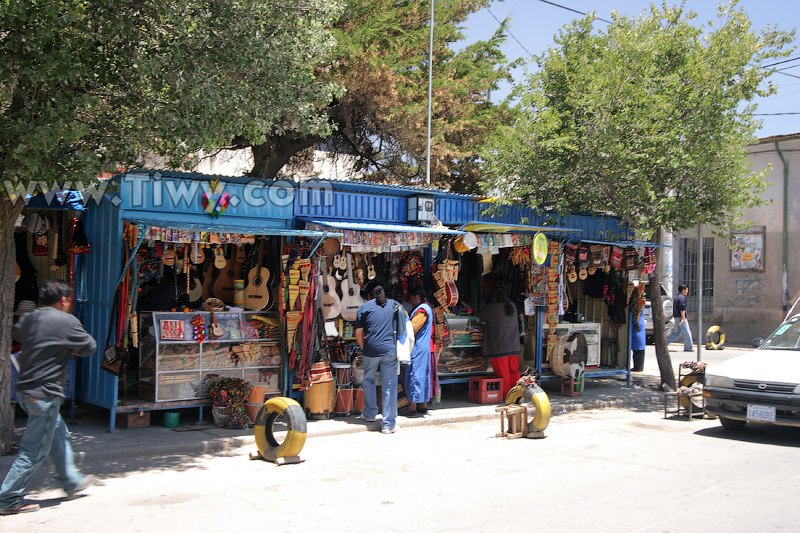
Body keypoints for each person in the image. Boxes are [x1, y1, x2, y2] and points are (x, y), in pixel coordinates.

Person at [0, 280, 97, 515]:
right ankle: (8, 497)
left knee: (58, 434)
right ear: (64, 300)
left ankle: (70, 481)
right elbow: (89, 347)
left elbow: (18, 333)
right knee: (34, 449)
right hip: (44, 394)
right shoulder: (67, 321)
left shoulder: (30, 318)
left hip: (25, 389)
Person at [355, 282, 399, 434]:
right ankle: (388, 424)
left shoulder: (364, 307)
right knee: (389, 385)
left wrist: (364, 348)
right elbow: (405, 320)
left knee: (368, 380)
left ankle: (370, 413)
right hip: (390, 350)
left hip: (371, 350)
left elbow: (358, 333)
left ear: (369, 296)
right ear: (384, 293)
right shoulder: (394, 304)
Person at [482, 287, 523, 399]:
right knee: (513, 371)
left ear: (494, 298)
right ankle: (516, 395)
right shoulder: (513, 306)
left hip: (499, 348)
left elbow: (481, 316)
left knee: (503, 373)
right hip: (514, 346)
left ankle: (506, 396)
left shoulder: (492, 307)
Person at [398, 287, 432, 417]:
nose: (411, 301)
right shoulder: (425, 309)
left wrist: (405, 316)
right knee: (422, 376)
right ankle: (422, 405)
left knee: (414, 375)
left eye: (412, 298)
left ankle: (412, 406)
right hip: (422, 348)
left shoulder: (422, 310)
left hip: (417, 348)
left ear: (418, 297)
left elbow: (412, 328)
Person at [665, 284, 694, 351]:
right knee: (687, 332)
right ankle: (688, 347)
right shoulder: (681, 298)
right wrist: (683, 319)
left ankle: (664, 342)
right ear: (683, 290)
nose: (687, 291)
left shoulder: (677, 297)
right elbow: (682, 309)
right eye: (686, 290)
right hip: (681, 318)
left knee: (678, 333)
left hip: (677, 317)